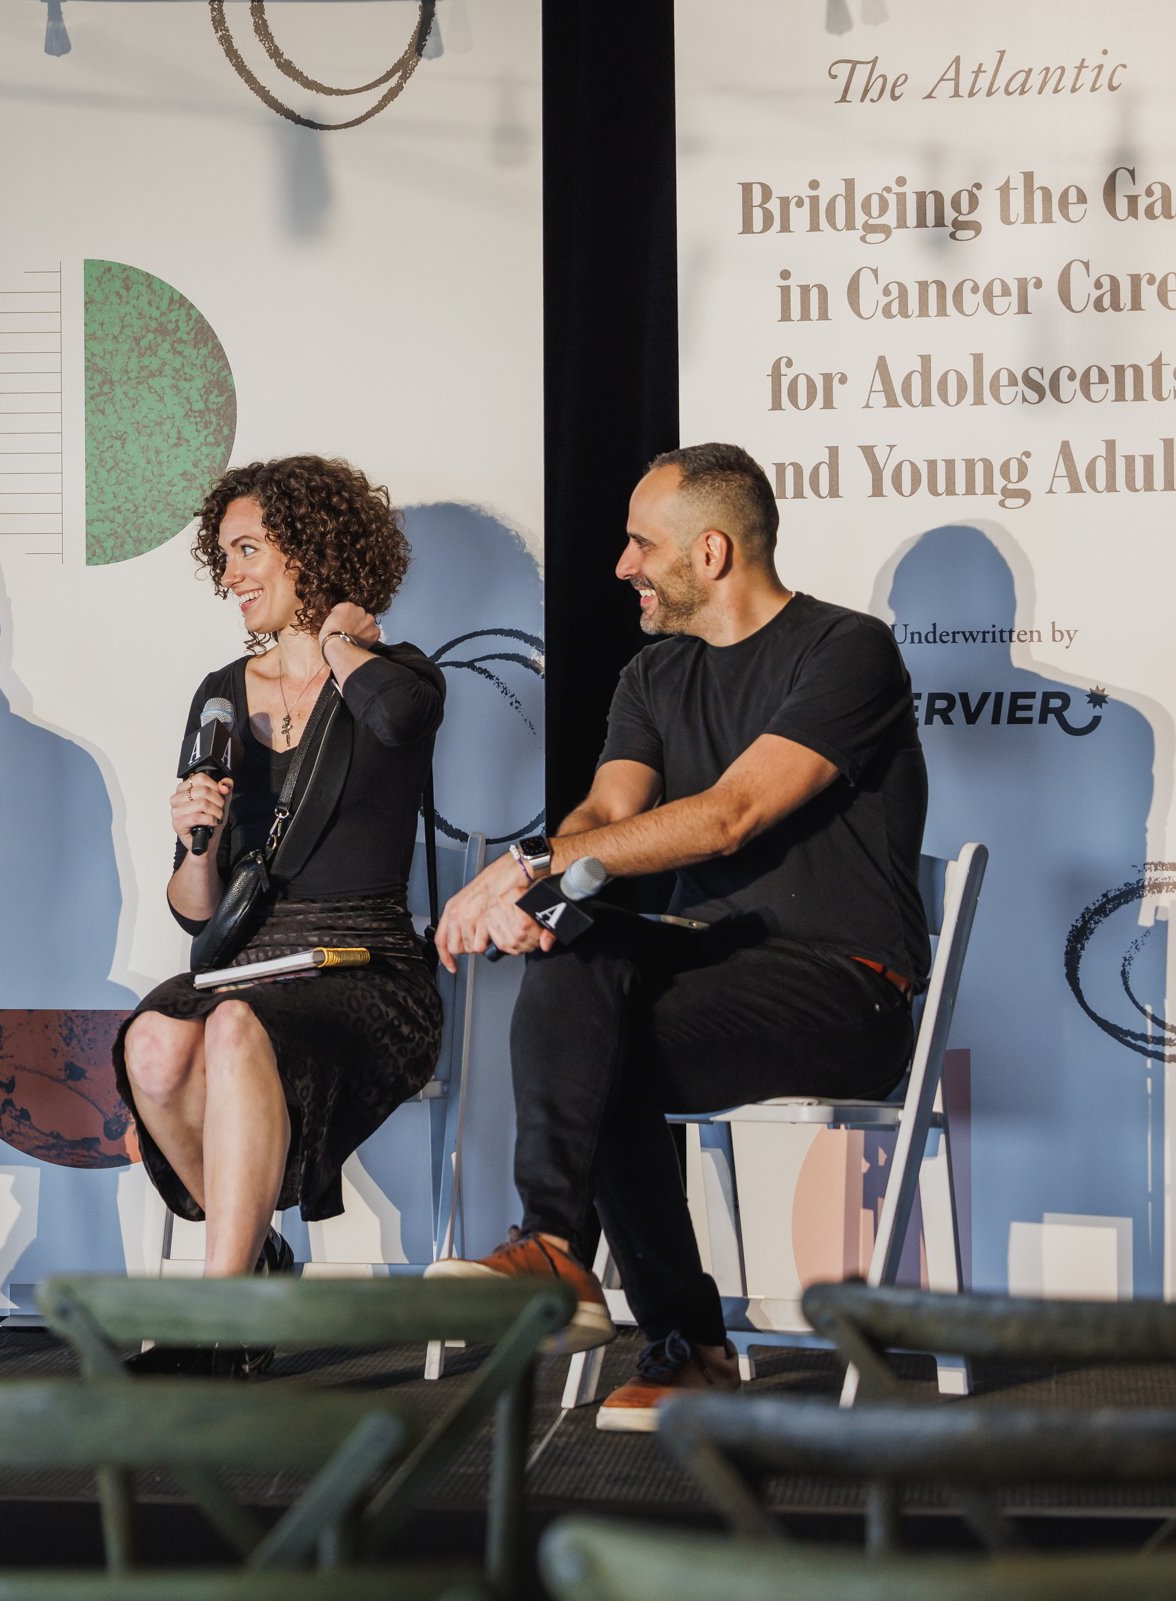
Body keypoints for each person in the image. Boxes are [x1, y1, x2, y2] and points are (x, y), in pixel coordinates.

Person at [430, 443, 929, 1432]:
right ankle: (567, 1258)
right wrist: (535, 882)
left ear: (710, 552)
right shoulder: (654, 674)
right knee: (583, 960)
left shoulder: (848, 649)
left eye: (639, 544)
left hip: (847, 988)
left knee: (599, 1045)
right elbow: (607, 813)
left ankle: (680, 1338)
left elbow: (732, 812)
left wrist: (528, 865)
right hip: (715, 965)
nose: (622, 565)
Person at [117, 455, 447, 1376]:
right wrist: (196, 842)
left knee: (226, 1029)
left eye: (249, 549)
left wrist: (340, 646)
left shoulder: (400, 675)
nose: (231, 576)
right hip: (247, 962)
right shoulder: (219, 693)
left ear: (311, 549)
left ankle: (218, 1323)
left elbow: (397, 724)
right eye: (224, 557)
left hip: (366, 968)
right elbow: (195, 915)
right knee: (150, 1041)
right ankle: (254, 1251)